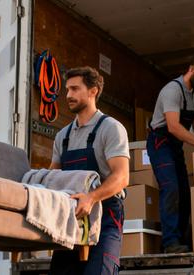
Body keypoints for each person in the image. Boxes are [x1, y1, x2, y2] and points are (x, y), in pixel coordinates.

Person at [48, 66, 130, 274]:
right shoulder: (62, 136)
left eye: (75, 89)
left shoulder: (111, 128)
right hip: (70, 219)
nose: (68, 95)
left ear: (93, 91)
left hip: (106, 216)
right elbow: (52, 178)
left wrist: (91, 198)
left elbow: (121, 177)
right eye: (67, 89)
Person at [146, 54, 194, 253]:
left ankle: (182, 240)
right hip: (160, 143)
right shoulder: (172, 90)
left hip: (175, 146)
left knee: (185, 193)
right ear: (191, 69)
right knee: (171, 188)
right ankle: (170, 243)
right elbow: (173, 126)